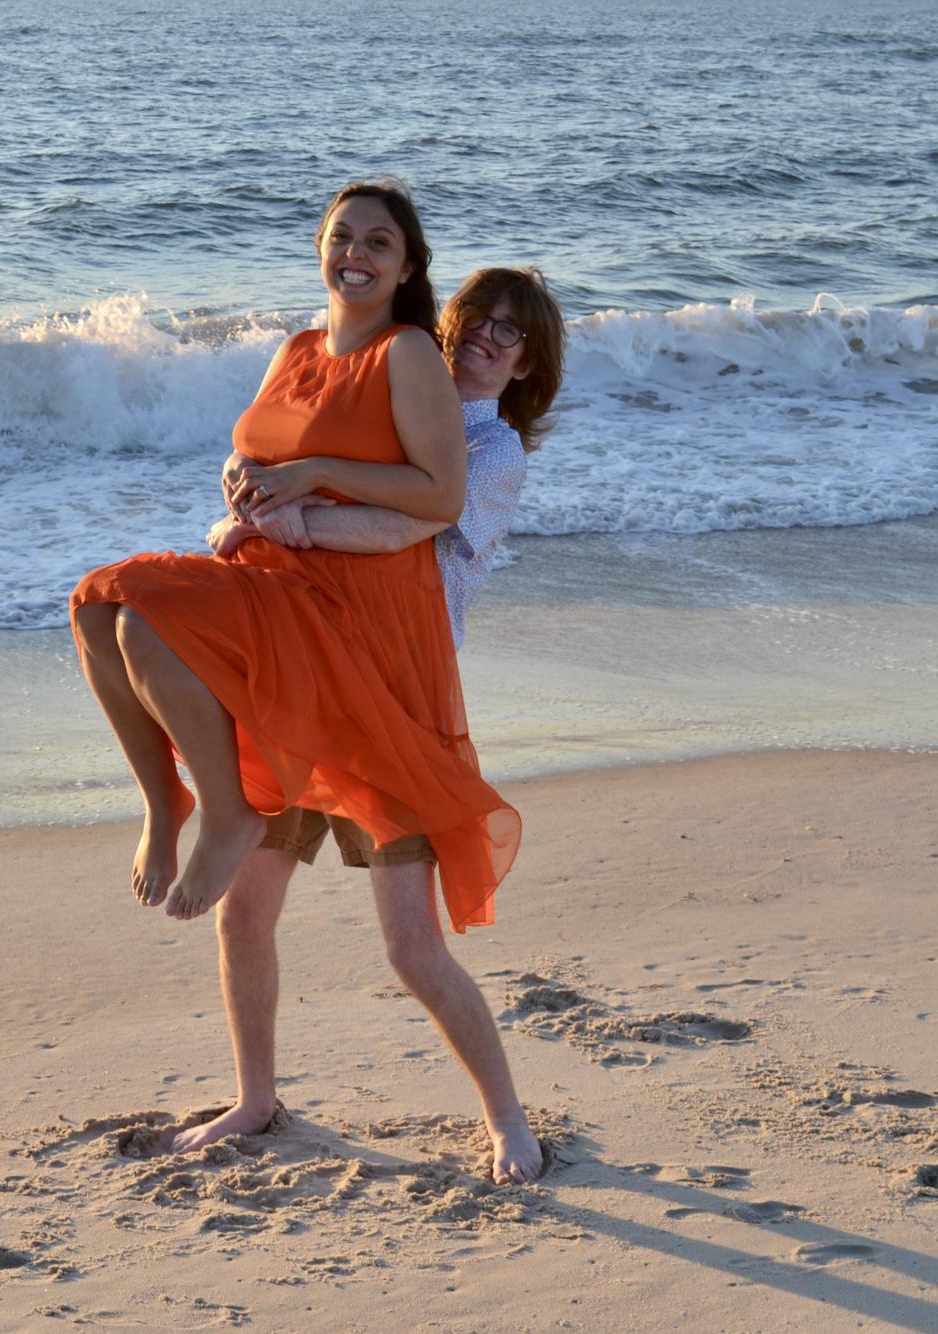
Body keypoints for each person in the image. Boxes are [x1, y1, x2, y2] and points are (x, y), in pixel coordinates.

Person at [69, 182, 528, 1182]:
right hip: (274, 617)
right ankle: (180, 818)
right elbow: (258, 455)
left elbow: (436, 494)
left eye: (377, 241)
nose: (354, 253)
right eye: (340, 237)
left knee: (411, 947)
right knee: (108, 605)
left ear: (407, 267)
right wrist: (247, 482)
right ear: (319, 249)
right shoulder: (293, 348)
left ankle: (506, 1119)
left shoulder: (406, 354)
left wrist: (306, 476)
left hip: (363, 658)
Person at [187, 269, 566, 1184]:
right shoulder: (398, 404)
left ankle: (510, 1120)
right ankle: (255, 1099)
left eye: (510, 335)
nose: (486, 340)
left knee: (411, 947)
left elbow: (412, 536)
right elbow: (295, 473)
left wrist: (295, 515)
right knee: (244, 913)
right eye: (478, 320)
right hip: (298, 678)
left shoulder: (491, 448)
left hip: (393, 699)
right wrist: (250, 504)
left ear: (526, 366)